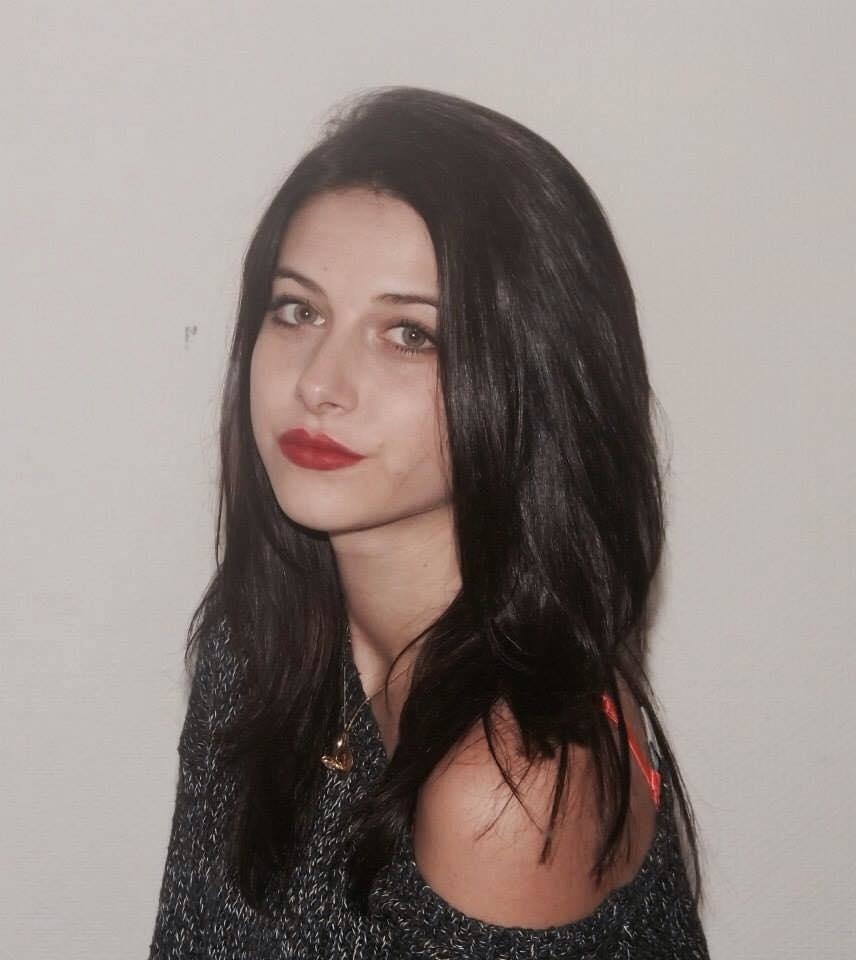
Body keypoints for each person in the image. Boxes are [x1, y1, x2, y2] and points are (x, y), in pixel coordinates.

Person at [148, 85, 710, 958]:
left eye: (410, 334)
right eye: (298, 309)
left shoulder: (503, 787)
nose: (319, 382)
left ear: (532, 380)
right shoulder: (260, 633)